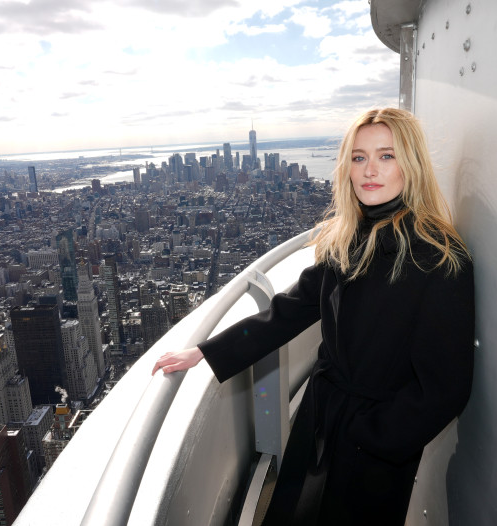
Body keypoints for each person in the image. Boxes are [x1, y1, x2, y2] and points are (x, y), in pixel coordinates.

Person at [152, 107, 475, 525]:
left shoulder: (440, 258)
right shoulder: (346, 239)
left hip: (376, 444)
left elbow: (446, 387)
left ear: (411, 165)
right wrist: (207, 351)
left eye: (386, 156)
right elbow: (290, 309)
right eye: (358, 157)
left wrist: (374, 437)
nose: (369, 170)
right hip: (319, 417)